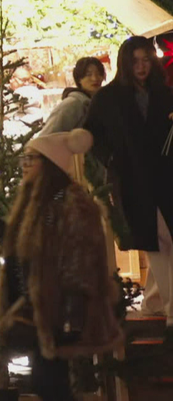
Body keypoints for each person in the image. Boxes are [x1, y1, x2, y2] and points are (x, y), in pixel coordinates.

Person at [0, 129, 123, 401]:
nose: (25, 165)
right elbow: (27, 250)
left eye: (32, 159)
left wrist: (70, 316)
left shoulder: (71, 204)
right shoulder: (37, 201)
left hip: (57, 312)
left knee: (51, 384)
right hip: (37, 309)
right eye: (25, 158)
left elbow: (81, 261)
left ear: (50, 165)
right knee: (46, 383)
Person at [85, 36, 173, 326]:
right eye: (135, 61)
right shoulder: (108, 98)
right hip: (134, 179)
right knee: (158, 240)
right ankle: (168, 306)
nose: (141, 66)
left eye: (146, 60)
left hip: (165, 177)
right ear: (125, 63)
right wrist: (111, 161)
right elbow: (92, 135)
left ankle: (156, 302)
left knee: (160, 239)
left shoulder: (164, 93)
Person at [37, 58, 107, 136]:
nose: (95, 78)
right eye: (88, 74)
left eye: (99, 74)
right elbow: (47, 136)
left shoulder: (98, 103)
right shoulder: (72, 104)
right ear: (79, 79)